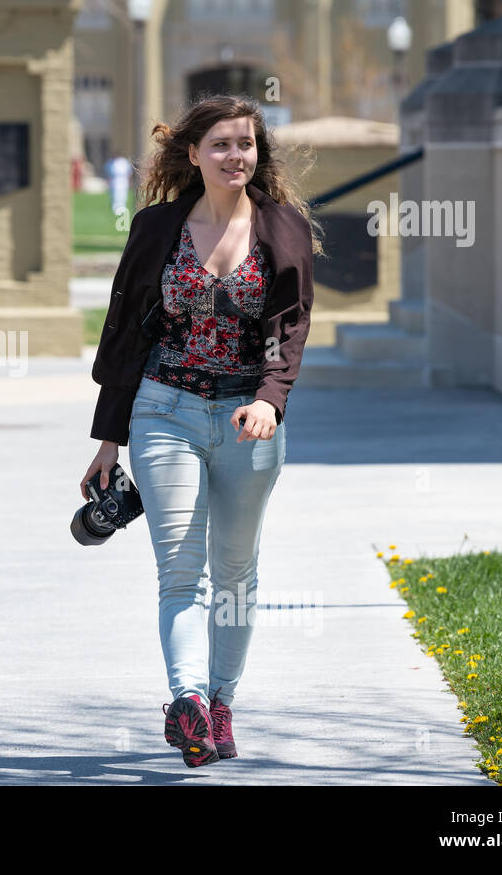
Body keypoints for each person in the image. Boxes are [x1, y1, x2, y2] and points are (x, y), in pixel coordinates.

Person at [81, 93, 323, 768]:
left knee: (236, 573)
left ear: (256, 152)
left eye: (244, 144)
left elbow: (289, 331)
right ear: (193, 154)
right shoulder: (157, 227)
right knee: (180, 572)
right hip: (165, 409)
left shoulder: (283, 229)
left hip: (249, 419)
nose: (234, 156)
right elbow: (126, 332)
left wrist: (272, 399)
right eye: (220, 144)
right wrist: (109, 439)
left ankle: (221, 703)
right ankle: (186, 702)